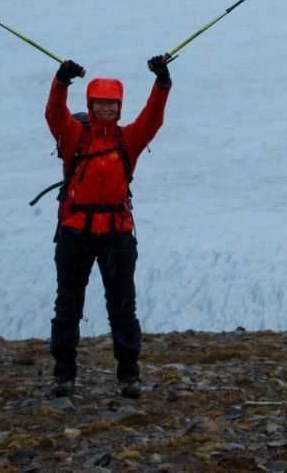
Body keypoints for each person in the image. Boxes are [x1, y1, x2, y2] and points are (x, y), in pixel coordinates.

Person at [44, 53, 172, 401]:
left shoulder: (128, 139)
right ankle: (64, 374)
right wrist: (61, 82)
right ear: (90, 104)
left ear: (119, 107)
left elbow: (152, 119)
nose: (105, 110)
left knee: (122, 305)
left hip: (115, 232)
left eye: (111, 105)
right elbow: (55, 116)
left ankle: (129, 374)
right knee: (68, 304)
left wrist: (162, 84)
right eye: (99, 104)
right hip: (75, 231)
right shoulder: (73, 137)